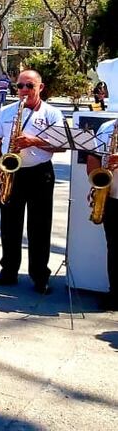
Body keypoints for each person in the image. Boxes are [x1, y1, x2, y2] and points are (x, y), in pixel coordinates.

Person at [0, 69, 65, 294]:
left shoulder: (52, 113)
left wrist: (34, 141)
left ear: (40, 87)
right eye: (20, 86)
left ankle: (40, 275)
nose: (23, 91)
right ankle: (8, 271)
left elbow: (61, 145)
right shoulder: (6, 111)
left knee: (40, 225)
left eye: (29, 86)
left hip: (40, 173)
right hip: (11, 173)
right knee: (9, 224)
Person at [87, 119, 118, 310]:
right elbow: (94, 157)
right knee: (114, 248)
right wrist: (96, 184)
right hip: (111, 196)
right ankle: (115, 293)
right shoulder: (107, 127)